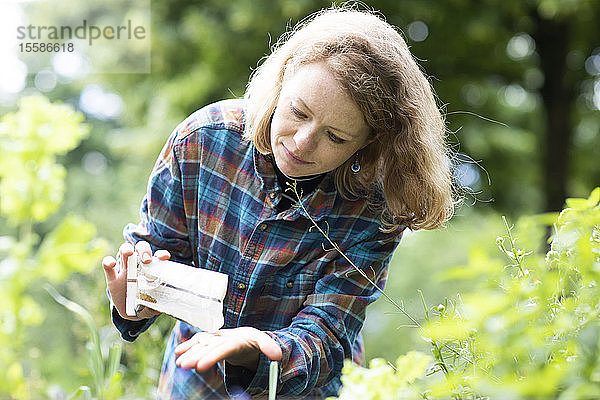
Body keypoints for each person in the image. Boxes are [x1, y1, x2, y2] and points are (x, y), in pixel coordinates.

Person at [102, 6, 453, 399]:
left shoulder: (372, 209)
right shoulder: (203, 141)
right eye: (297, 112)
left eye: (335, 137)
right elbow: (158, 254)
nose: (303, 142)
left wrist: (262, 349)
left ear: (369, 141)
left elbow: (328, 335)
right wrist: (135, 296)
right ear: (282, 79)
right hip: (194, 380)